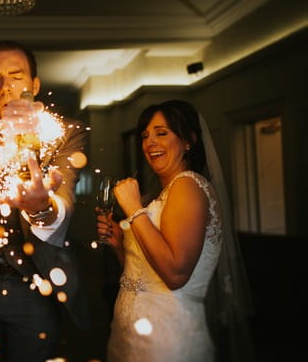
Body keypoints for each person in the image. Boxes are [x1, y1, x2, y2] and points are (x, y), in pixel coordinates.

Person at [0, 41, 90, 361]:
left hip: (35, 282)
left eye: (16, 76)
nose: (6, 87)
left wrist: (42, 209)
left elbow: (64, 204)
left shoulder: (65, 131)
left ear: (34, 84)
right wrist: (9, 137)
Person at [96, 99, 254, 361]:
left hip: (167, 336)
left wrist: (134, 210)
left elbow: (176, 273)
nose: (150, 143)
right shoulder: (163, 194)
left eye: (162, 133)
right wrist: (118, 244)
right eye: (145, 135)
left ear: (188, 140)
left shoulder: (188, 187)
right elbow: (146, 275)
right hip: (129, 331)